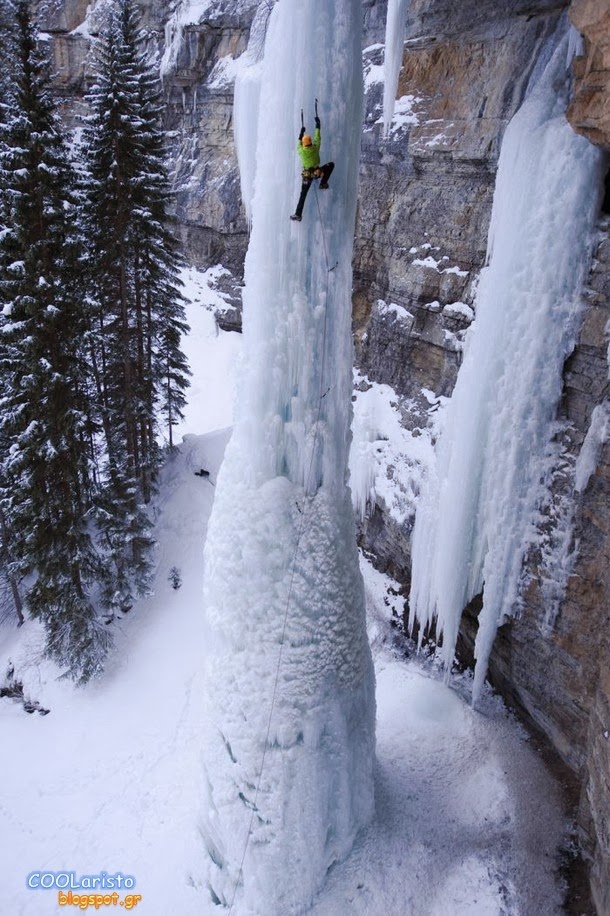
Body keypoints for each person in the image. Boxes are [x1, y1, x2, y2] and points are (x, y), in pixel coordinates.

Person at [290, 114, 335, 222]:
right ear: (310, 143)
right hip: (317, 172)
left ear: (304, 145)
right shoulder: (315, 148)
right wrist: (318, 125)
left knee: (303, 195)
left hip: (307, 176)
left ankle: (298, 214)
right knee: (331, 165)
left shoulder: (301, 151)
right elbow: (317, 138)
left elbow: (298, 144)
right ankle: (323, 183)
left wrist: (301, 133)